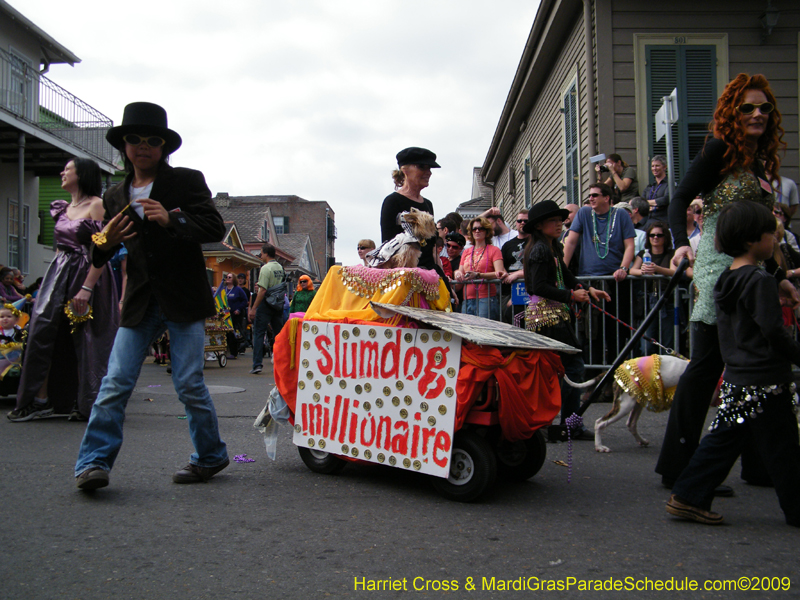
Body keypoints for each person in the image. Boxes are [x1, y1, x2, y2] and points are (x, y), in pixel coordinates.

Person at [74, 101, 229, 490]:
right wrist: (105, 240)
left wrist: (173, 218)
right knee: (115, 382)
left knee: (189, 383)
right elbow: (100, 251)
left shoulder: (186, 181)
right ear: (124, 146)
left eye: (152, 140)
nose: (143, 146)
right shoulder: (115, 195)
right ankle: (93, 464)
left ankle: (210, 456)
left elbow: (214, 227)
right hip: (140, 300)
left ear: (163, 148)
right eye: (135, 138)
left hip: (183, 297)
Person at [656, 73, 798, 491]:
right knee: (707, 368)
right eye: (747, 107)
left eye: (764, 108)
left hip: (753, 273)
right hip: (720, 275)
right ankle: (678, 468)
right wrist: (682, 244)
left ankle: (758, 464)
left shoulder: (757, 162)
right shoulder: (719, 150)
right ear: (733, 113)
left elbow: (761, 234)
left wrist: (780, 277)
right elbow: (679, 198)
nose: (757, 114)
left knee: (752, 367)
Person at [667, 200, 800, 527]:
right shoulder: (759, 280)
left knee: (725, 440)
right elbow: (773, 330)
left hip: (739, 375)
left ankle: (688, 495)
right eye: (770, 235)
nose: (774, 241)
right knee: (783, 447)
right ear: (752, 240)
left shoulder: (726, 278)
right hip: (765, 376)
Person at [9, 158, 119, 422]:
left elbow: (103, 249)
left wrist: (87, 287)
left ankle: (88, 402)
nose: (62, 173)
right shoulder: (62, 207)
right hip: (59, 273)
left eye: (68, 169)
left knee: (87, 336)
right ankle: (40, 400)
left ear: (82, 174)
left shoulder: (97, 205)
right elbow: (60, 248)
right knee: (42, 332)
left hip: (88, 273)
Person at [522, 200, 610, 440]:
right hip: (547, 317)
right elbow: (538, 286)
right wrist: (571, 295)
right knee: (571, 368)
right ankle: (565, 425)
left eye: (560, 220)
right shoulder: (540, 250)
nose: (559, 224)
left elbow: (566, 274)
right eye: (553, 220)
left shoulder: (551, 247)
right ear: (539, 226)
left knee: (563, 369)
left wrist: (586, 289)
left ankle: (558, 424)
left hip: (555, 315)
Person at [563, 183, 636, 367]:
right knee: (590, 333)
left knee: (615, 332)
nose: (591, 198)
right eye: (589, 195)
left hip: (615, 281)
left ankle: (615, 374)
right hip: (590, 281)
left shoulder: (620, 215)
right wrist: (561, 271)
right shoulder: (584, 213)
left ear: (607, 198)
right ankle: (592, 375)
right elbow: (570, 242)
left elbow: (630, 246)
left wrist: (623, 268)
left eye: (595, 195)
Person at [380, 147, 440, 271]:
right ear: (405, 170)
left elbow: (432, 249)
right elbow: (387, 248)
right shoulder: (392, 201)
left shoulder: (428, 204)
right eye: (422, 167)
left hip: (430, 272)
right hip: (405, 273)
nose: (429, 172)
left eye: (429, 168)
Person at [629, 221, 676, 355]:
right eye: (652, 235)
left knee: (667, 342)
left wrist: (657, 269)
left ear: (665, 237)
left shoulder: (672, 253)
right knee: (647, 345)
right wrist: (643, 271)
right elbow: (632, 270)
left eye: (659, 235)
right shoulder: (643, 253)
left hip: (666, 299)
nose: (655, 238)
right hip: (647, 300)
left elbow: (674, 271)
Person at [454, 217, 505, 319]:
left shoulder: (494, 250)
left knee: (484, 328)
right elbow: (460, 270)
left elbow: (500, 273)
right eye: (474, 229)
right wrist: (457, 273)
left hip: (486, 298)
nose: (477, 231)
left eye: (481, 228)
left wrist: (478, 275)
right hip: (467, 298)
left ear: (487, 231)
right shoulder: (466, 251)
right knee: (466, 328)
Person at [248, 243, 286, 374]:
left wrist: (254, 308)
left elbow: (262, 290)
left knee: (259, 333)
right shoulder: (280, 267)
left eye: (261, 252)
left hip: (266, 303)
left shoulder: (265, 268)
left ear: (266, 253)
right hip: (278, 303)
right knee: (278, 334)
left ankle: (257, 364)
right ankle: (282, 361)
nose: (261, 255)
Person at [500, 209, 529, 325]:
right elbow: (501, 265)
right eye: (519, 221)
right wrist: (505, 274)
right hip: (508, 290)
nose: (522, 223)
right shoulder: (507, 245)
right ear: (516, 223)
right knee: (508, 323)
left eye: (526, 221)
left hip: (529, 291)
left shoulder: (536, 243)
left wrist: (518, 274)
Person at [222, 272, 248, 358]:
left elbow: (245, 300)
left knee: (233, 332)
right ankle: (227, 350)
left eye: (229, 277)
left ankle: (234, 352)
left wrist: (239, 309)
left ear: (233, 279)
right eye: (226, 277)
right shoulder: (224, 289)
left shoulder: (238, 290)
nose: (227, 278)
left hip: (235, 314)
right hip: (226, 314)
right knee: (226, 333)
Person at [644, 155, 670, 221]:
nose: (654, 168)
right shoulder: (650, 186)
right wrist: (657, 205)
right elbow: (641, 202)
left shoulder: (669, 184)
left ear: (665, 167)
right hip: (648, 220)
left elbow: (666, 199)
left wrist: (647, 203)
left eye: (657, 166)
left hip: (663, 220)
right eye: (652, 166)